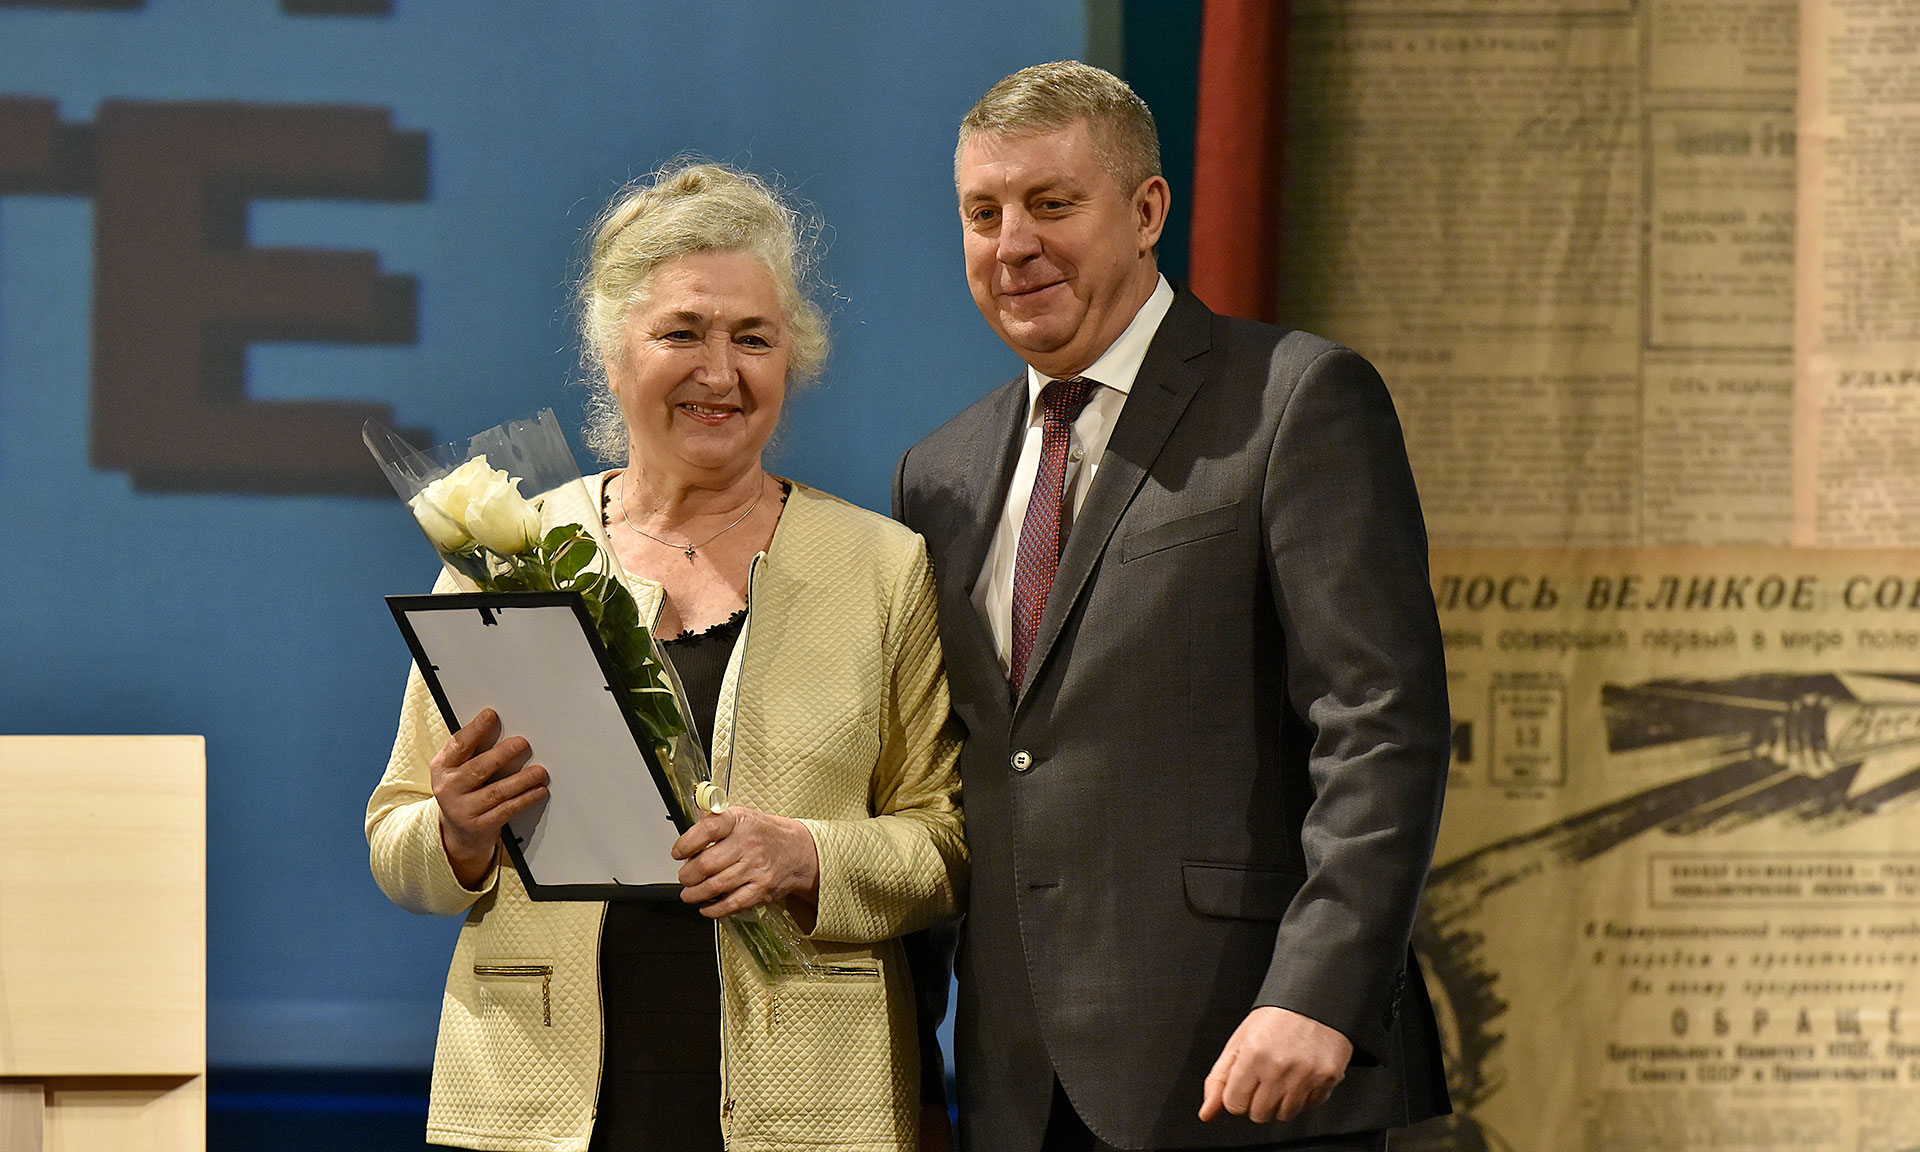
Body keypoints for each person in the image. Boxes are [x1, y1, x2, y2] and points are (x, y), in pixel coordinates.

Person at [892, 62, 1451, 1152]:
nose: (1013, 244)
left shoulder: (1295, 400)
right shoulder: (939, 473)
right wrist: (913, 1070)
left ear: (1148, 211)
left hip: (1248, 1062)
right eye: (983, 213)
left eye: (1052, 203)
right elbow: (944, 779)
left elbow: (1379, 720)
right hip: (1017, 1092)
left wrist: (1319, 991)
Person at [369, 162, 967, 1152]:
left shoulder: (881, 567)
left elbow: (944, 846)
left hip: (811, 1107)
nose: (720, 373)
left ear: (793, 359)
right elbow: (397, 841)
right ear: (612, 355)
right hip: (536, 1103)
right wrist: (458, 835)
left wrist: (810, 856)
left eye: (754, 339)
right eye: (683, 334)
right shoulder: (505, 553)